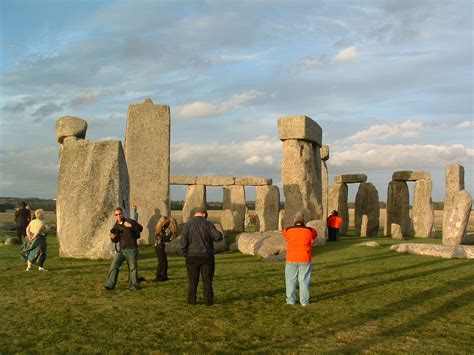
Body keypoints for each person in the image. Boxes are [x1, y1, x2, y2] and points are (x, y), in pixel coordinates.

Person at [180, 207, 223, 306]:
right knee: (207, 280)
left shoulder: (188, 225)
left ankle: (192, 300)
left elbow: (183, 242)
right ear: (204, 214)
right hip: (207, 256)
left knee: (192, 280)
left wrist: (185, 254)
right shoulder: (208, 224)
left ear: (195, 214)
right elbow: (218, 237)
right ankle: (208, 301)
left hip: (192, 256)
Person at [282, 212, 318, 306]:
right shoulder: (310, 230)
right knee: (304, 280)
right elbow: (314, 235)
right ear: (303, 220)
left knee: (290, 281)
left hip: (291, 258)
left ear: (294, 219)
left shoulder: (287, 230)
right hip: (304, 258)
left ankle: (290, 301)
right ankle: (304, 302)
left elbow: (285, 235)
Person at [104, 207, 143, 291]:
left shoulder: (129, 221)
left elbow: (140, 228)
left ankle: (134, 285)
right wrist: (113, 237)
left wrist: (131, 226)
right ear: (115, 215)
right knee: (114, 265)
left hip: (132, 249)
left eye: (120, 214)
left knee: (132, 268)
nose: (118, 216)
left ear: (122, 214)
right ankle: (110, 284)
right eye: (116, 214)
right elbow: (116, 240)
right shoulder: (116, 226)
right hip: (121, 250)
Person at [154, 216, 176, 282]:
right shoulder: (159, 230)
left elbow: (166, 239)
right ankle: (158, 276)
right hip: (159, 247)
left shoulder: (161, 229)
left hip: (160, 246)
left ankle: (164, 276)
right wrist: (171, 233)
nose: (168, 224)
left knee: (165, 262)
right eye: (167, 223)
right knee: (161, 262)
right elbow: (165, 238)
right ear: (163, 222)